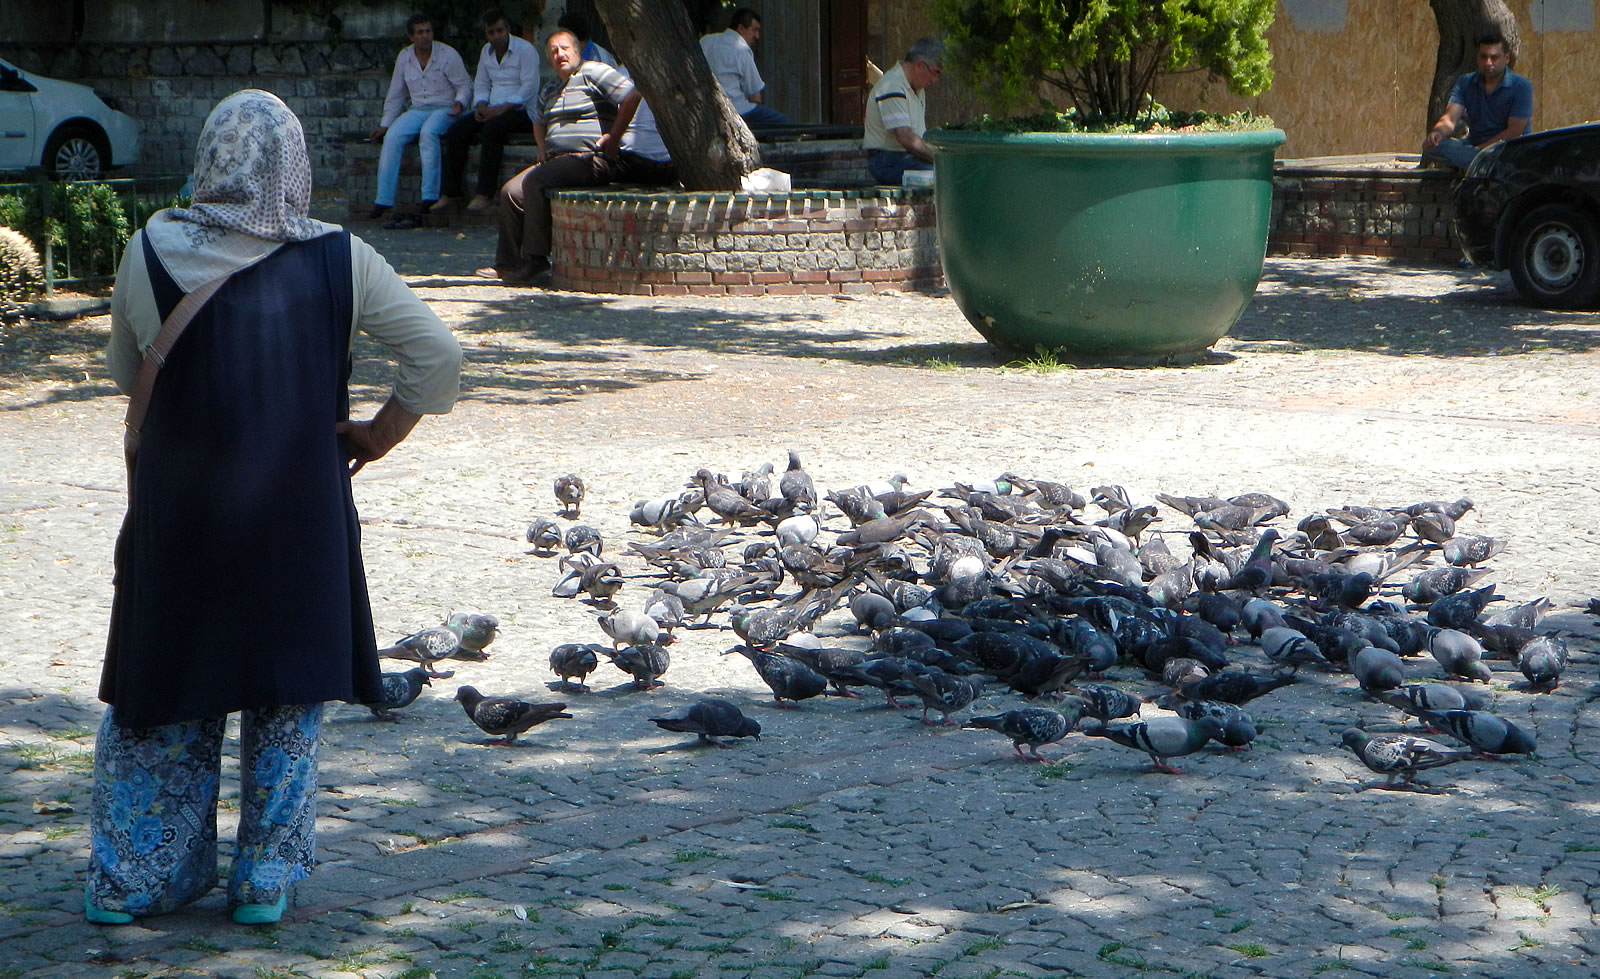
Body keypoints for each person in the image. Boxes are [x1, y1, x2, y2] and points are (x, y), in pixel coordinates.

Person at [89, 90, 461, 927]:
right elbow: (437, 358)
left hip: (181, 516)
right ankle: (263, 878)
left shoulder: (149, 246)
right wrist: (377, 434)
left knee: (165, 693)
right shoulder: (341, 258)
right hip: (296, 519)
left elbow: (126, 375)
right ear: (297, 165)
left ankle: (140, 875)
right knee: (285, 699)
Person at [476, 30, 640, 285]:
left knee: (536, 181)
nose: (559, 55)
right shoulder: (550, 87)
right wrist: (541, 148)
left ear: (576, 51)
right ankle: (508, 264)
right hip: (556, 161)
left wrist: (614, 137)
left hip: (590, 159)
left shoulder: (594, 72)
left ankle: (535, 259)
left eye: (564, 48)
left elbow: (632, 96)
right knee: (510, 191)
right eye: (553, 51)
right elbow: (538, 121)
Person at [368, 13, 471, 229]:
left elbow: (464, 85)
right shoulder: (404, 57)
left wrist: (459, 103)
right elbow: (396, 93)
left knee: (428, 133)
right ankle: (384, 200)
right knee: (393, 136)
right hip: (418, 108)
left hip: (445, 108)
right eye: (420, 32)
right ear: (411, 36)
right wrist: (385, 124)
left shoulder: (447, 54)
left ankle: (430, 195)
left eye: (428, 31)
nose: (425, 36)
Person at [436, 9, 540, 214]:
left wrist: (502, 108)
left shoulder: (526, 50)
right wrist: (481, 104)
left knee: (492, 130)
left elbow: (529, 88)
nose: (496, 36)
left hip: (521, 111)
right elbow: (482, 83)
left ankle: (485, 193)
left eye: (500, 31)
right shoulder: (486, 52)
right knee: (456, 131)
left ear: (508, 30)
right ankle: (451, 193)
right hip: (492, 108)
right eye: (491, 32)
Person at [1422, 29, 1533, 170]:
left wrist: (1480, 151)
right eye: (1483, 57)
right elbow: (1450, 119)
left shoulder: (1521, 86)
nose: (1488, 62)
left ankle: (1476, 163)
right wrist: (1437, 133)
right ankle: (1478, 164)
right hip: (1475, 146)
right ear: (1477, 58)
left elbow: (1513, 133)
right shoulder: (1465, 82)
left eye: (1494, 57)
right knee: (1430, 146)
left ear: (1506, 58)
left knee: (1502, 155)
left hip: (1506, 150)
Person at [864, 37, 944, 185]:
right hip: (888, 161)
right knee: (945, 177)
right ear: (920, 65)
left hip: (906, 157)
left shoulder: (917, 88)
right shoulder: (893, 85)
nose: (934, 80)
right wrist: (941, 160)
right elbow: (906, 137)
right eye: (935, 72)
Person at [699, 7, 788, 127]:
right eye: (754, 30)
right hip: (736, 110)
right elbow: (755, 95)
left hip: (706, 108)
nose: (757, 36)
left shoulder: (705, 41)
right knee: (783, 122)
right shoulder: (741, 49)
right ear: (740, 28)